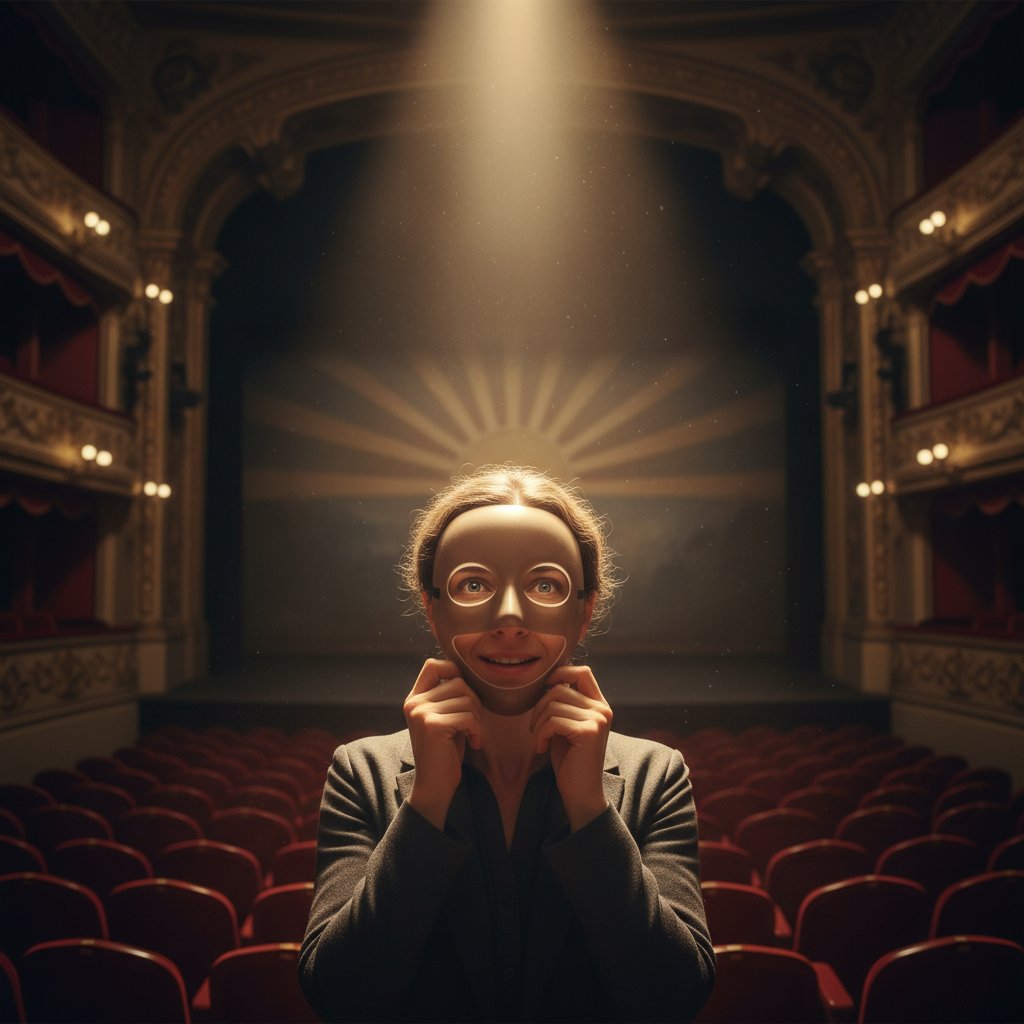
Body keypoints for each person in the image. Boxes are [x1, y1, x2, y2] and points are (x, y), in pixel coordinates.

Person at [299, 465, 714, 1023]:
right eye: (474, 584)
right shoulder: (361, 772)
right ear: (432, 607)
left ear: (586, 609)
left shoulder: (656, 775)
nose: (510, 618)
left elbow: (674, 997)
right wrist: (427, 801)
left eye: (545, 585)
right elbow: (339, 996)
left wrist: (590, 809)